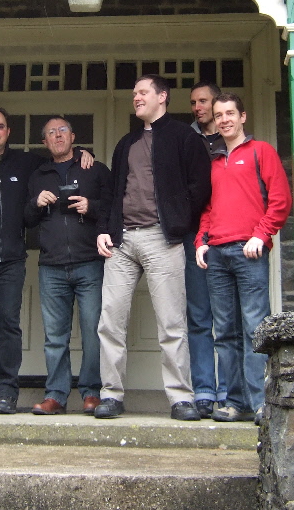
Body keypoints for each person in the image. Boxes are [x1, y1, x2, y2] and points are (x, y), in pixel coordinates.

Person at [0, 107, 92, 414]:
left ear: (8, 131)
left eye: (0, 126)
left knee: (9, 328)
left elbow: (59, 156)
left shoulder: (26, 163)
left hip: (12, 260)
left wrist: (80, 152)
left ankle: (6, 394)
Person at [95, 74, 211, 421]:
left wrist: (177, 219)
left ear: (162, 97)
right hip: (122, 242)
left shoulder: (184, 137)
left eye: (143, 92)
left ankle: (181, 398)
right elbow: (113, 193)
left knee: (172, 323)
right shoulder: (126, 143)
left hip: (163, 238)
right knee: (110, 321)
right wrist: (104, 230)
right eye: (134, 93)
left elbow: (200, 186)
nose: (136, 97)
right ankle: (111, 395)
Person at [195, 92, 292, 425]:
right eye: (219, 115)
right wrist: (201, 241)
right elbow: (208, 209)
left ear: (242, 117)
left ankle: (261, 403)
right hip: (217, 254)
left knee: (254, 328)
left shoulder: (261, 152)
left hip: (249, 252)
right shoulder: (212, 163)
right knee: (224, 332)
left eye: (230, 113)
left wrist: (261, 235)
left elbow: (280, 200)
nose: (224, 120)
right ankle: (235, 402)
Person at [23, 116, 112, 416]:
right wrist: (35, 203)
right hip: (52, 266)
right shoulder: (37, 175)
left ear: (73, 137)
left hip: (89, 263)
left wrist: (92, 206)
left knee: (93, 332)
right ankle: (56, 396)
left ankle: (92, 393)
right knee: (55, 337)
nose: (58, 136)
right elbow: (26, 220)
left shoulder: (94, 169)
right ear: (44, 141)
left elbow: (114, 208)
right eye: (51, 132)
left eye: (63, 130)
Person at [185, 81, 224, 417]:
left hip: (228, 233)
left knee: (228, 319)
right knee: (198, 316)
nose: (198, 107)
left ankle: (229, 391)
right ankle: (204, 391)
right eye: (194, 102)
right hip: (192, 233)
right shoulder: (185, 139)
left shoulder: (234, 139)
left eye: (203, 101)